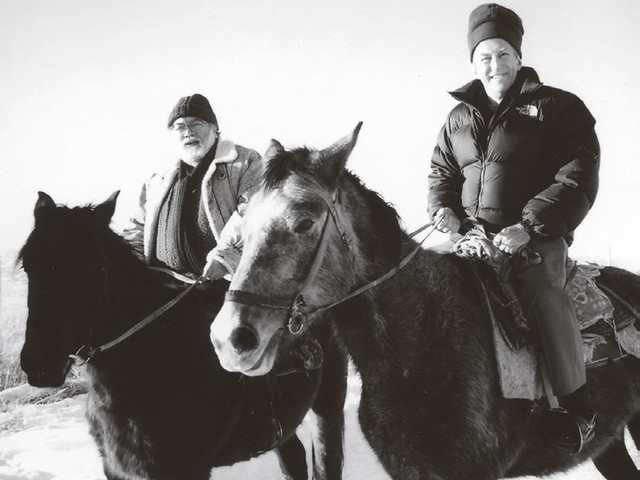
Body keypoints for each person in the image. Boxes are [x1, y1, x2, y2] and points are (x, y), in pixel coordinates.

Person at [428, 3, 600, 453]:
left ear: (519, 57)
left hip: (535, 237)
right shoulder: (457, 119)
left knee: (543, 295)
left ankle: (578, 410)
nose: (494, 64)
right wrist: (442, 211)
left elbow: (577, 175)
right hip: (471, 239)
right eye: (484, 56)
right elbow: (441, 174)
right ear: (473, 61)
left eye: (503, 54)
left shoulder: (560, 107)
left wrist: (528, 226)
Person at [124, 93, 262, 282]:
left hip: (225, 286)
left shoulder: (244, 162)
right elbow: (137, 229)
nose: (188, 132)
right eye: (179, 126)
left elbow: (253, 212)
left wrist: (225, 258)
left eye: (196, 123)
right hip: (164, 289)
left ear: (215, 129)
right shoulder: (157, 180)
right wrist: (130, 267)